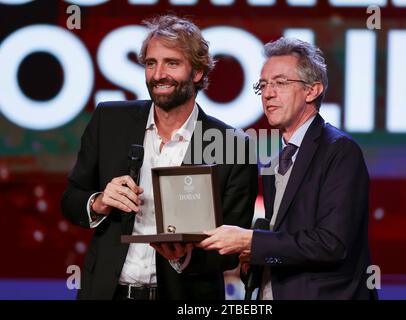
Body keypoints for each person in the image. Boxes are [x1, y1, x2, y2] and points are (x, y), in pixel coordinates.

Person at [61, 15, 258, 300]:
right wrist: (100, 201)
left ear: (198, 72)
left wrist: (183, 258)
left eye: (172, 63)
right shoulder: (110, 120)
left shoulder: (233, 145)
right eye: (151, 63)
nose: (158, 74)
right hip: (107, 292)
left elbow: (231, 247)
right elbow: (70, 200)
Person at [197, 37, 377, 300]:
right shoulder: (276, 159)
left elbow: (332, 244)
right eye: (263, 85)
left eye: (280, 83)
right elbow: (287, 239)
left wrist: (251, 241)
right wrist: (254, 260)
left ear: (312, 90)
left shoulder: (339, 150)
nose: (268, 93)